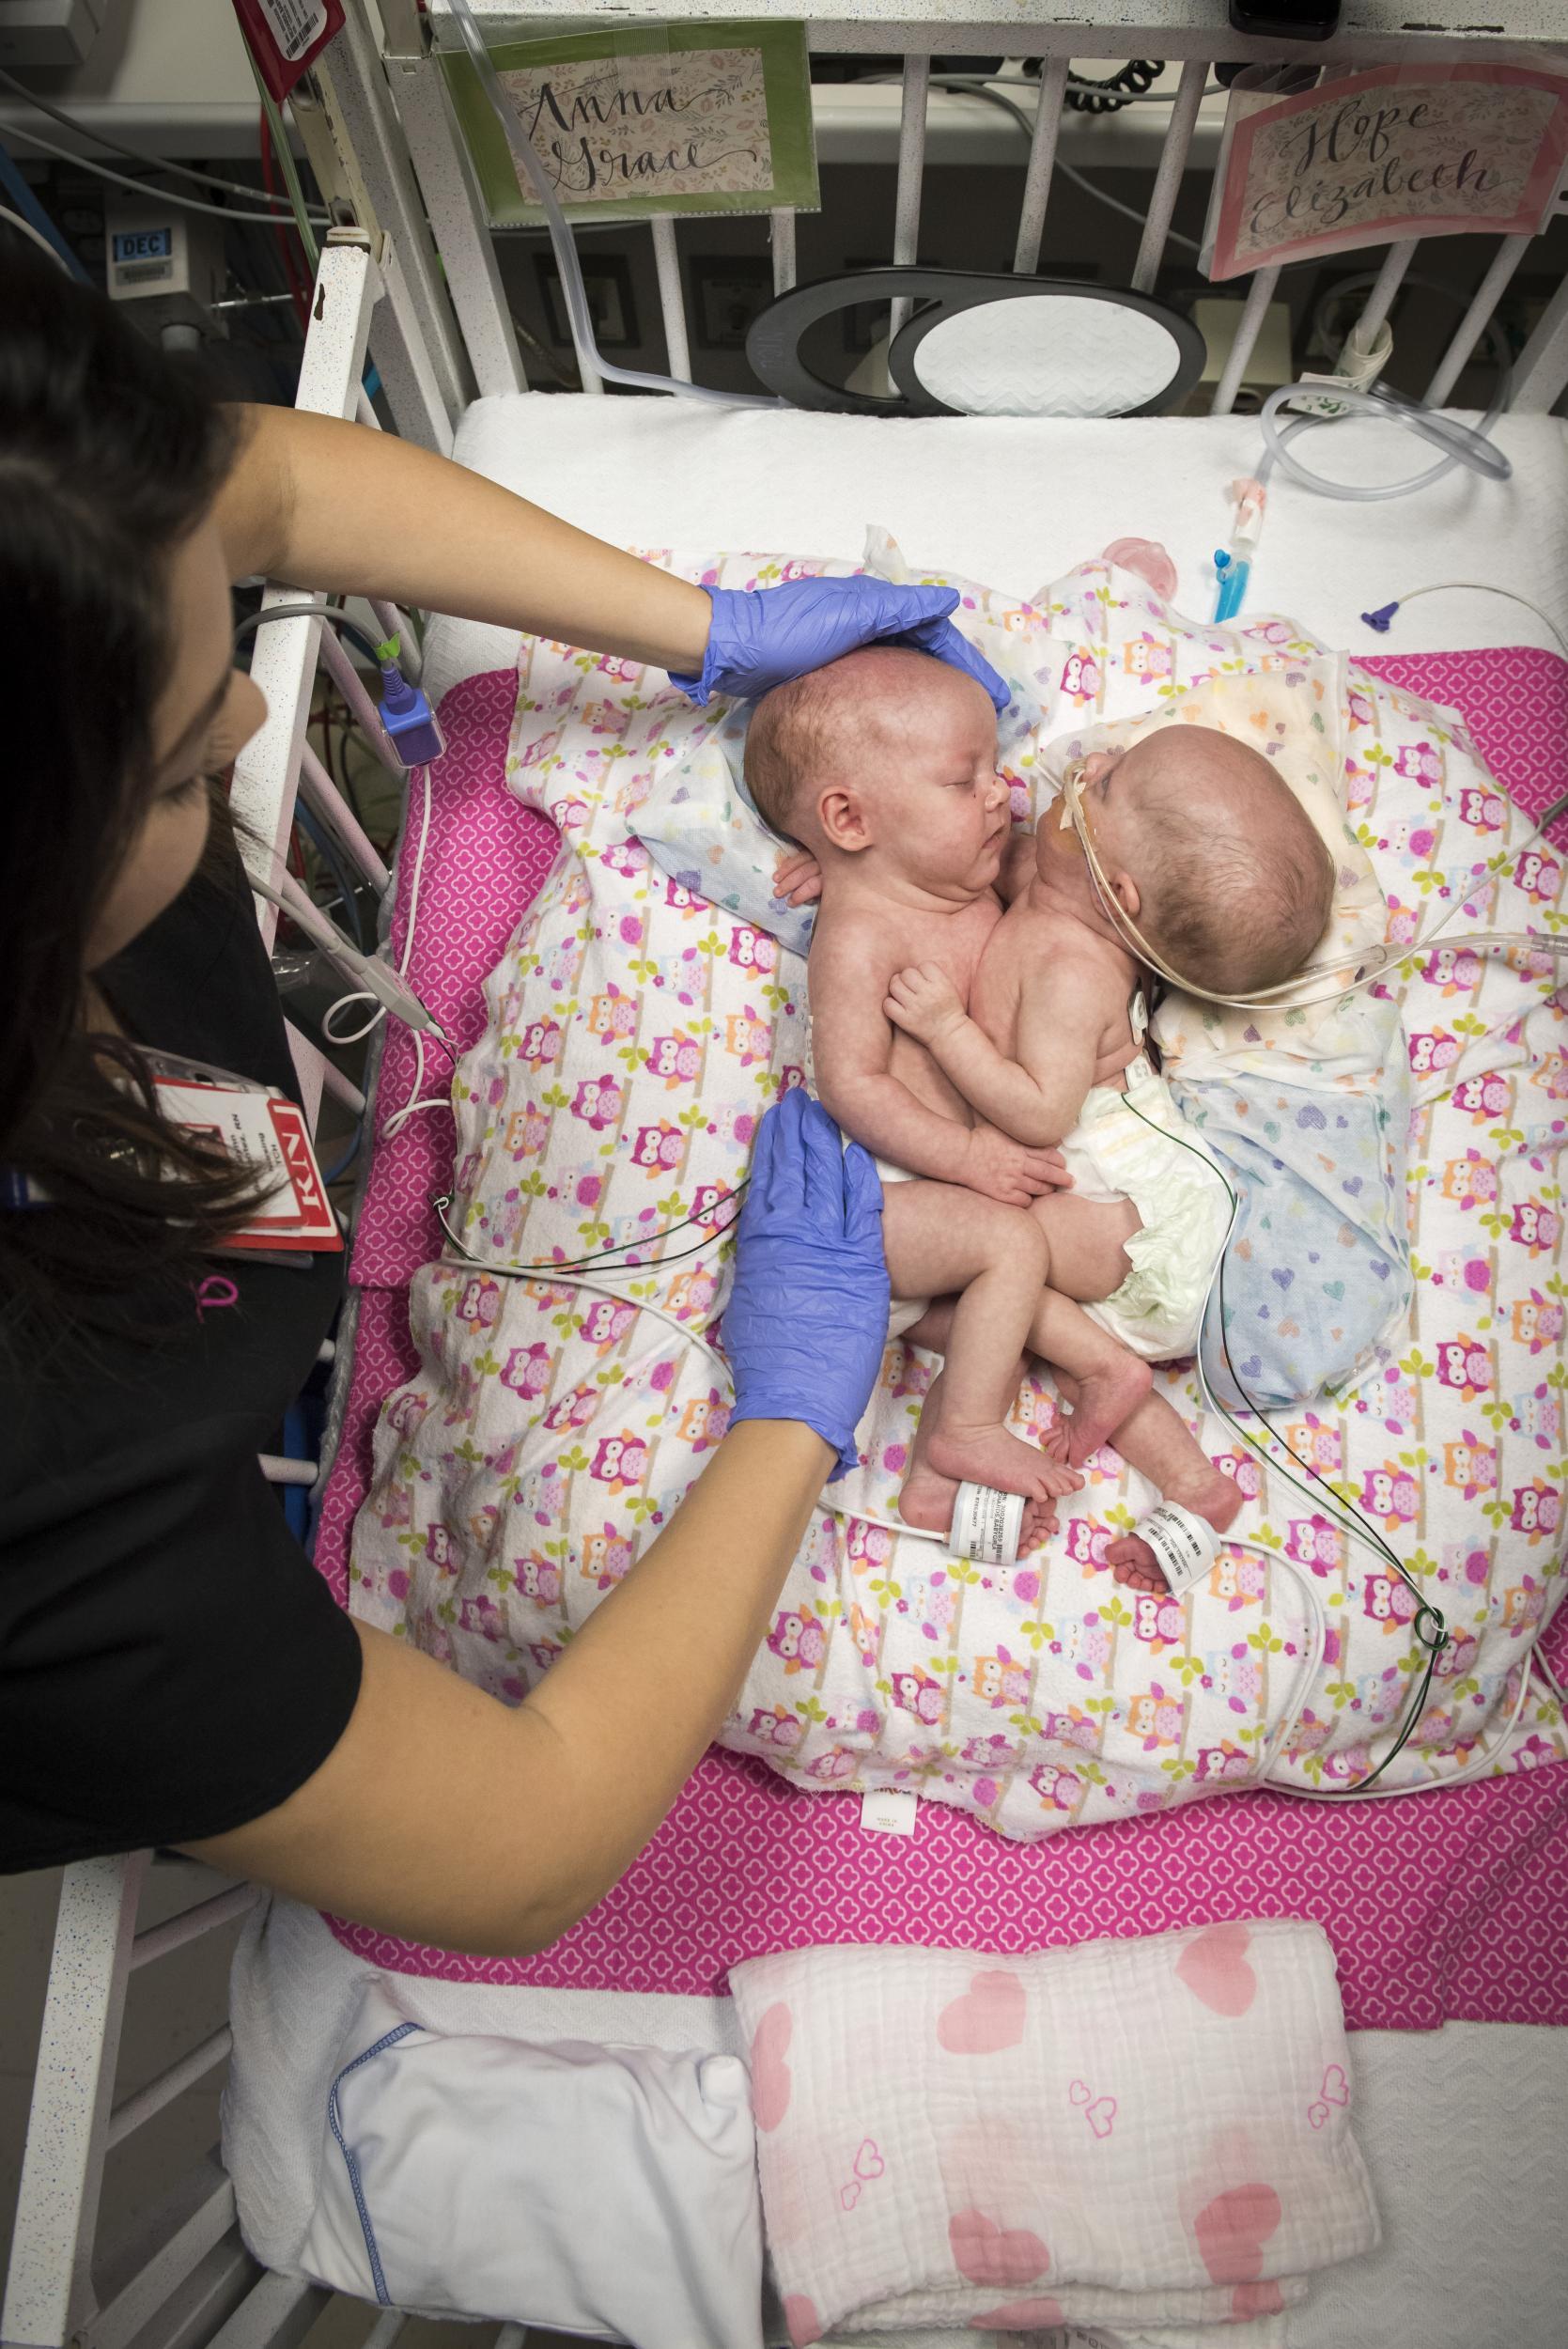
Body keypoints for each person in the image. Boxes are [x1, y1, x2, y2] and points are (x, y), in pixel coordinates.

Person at [0, 243, 993, 1953]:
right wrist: (793, 1403)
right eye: (179, 766)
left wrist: (712, 632)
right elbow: (517, 1848)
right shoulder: (44, 1486)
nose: (251, 705)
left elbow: (270, 475)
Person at [758, 648, 1334, 1584]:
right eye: (966, 780)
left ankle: (1031, 1455)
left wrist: (943, 1024)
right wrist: (847, 860)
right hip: (949, 1197)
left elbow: (1088, 898)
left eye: (997, 770)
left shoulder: (1019, 898)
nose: (1012, 793)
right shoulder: (884, 925)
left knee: (1035, 1299)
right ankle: (1021, 1452)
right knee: (1023, 1284)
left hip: (1024, 1201)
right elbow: (854, 1084)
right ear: (851, 820)